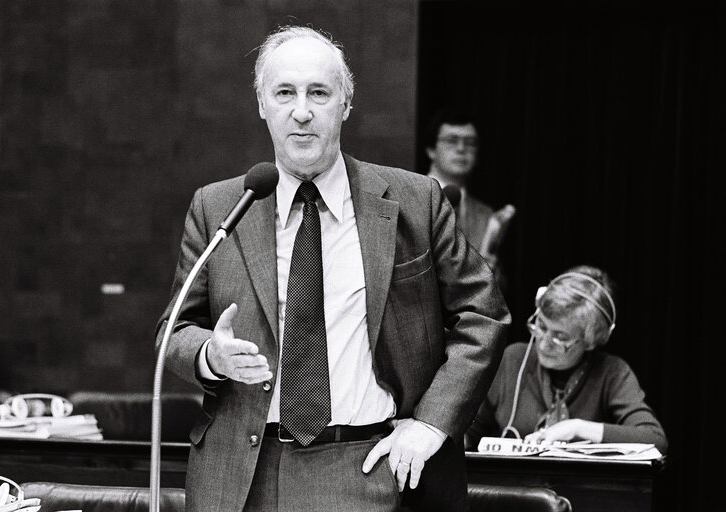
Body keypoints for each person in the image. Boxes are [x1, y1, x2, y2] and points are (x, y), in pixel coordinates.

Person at [156, 25, 510, 512]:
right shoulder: (218, 206)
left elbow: (483, 314)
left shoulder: (414, 201)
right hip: (241, 477)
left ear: (345, 104)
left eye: (319, 92)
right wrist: (210, 356)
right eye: (285, 93)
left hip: (372, 466)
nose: (302, 111)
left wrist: (432, 423)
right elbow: (173, 333)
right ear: (262, 105)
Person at [466, 265, 668, 454]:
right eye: (541, 326)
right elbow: (468, 434)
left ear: (592, 341)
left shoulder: (612, 372)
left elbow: (655, 439)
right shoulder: (513, 359)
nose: (543, 344)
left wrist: (578, 428)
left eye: (560, 337)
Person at [424, 109, 514, 287]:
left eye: (470, 143)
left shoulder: (487, 214)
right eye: (452, 140)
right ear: (431, 150)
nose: (461, 149)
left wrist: (493, 274)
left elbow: (499, 287)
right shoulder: (407, 199)